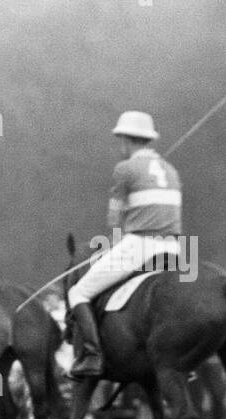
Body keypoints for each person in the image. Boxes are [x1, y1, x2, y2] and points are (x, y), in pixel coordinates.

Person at [67, 111, 182, 379]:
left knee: (78, 293)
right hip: (178, 249)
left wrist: (113, 246)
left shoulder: (125, 169)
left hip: (141, 245)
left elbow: (114, 219)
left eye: (120, 140)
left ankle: (93, 356)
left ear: (125, 140)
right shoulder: (170, 169)